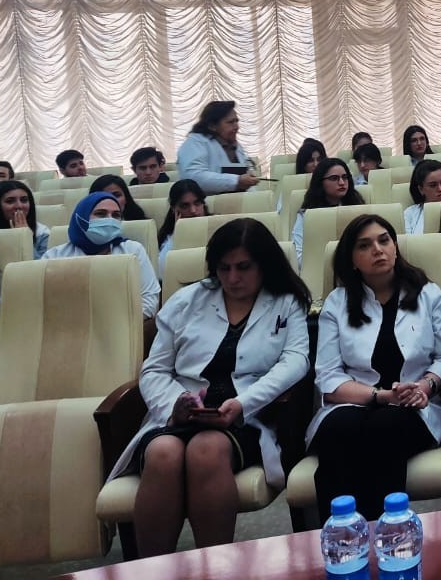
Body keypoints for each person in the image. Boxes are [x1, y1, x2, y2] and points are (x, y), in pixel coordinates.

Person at [108, 218, 310, 556]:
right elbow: (154, 369)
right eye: (223, 268)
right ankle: (153, 570)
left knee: (207, 449)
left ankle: (214, 567)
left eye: (244, 267)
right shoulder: (187, 300)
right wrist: (175, 405)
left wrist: (243, 403)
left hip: (242, 418)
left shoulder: (285, 302)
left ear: (264, 265)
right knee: (163, 454)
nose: (232, 278)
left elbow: (296, 361)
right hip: (177, 416)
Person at [306, 215, 441, 520]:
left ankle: (385, 531)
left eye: (384, 240)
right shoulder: (337, 302)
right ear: (351, 260)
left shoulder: (427, 293)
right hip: (354, 401)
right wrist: (380, 396)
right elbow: (329, 375)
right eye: (364, 245)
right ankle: (341, 535)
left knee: (385, 426)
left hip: (416, 405)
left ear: (395, 247)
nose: (378, 249)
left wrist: (425, 386)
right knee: (338, 430)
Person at [45, 192, 161, 318]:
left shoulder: (133, 251)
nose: (110, 220)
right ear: (81, 217)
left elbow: (150, 299)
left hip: (123, 325)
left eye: (116, 215)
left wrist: (116, 321)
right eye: (101, 214)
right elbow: (42, 301)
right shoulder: (54, 256)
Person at [177, 101, 260, 195]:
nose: (237, 127)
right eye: (230, 122)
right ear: (212, 126)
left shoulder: (235, 146)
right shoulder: (194, 143)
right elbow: (193, 177)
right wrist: (236, 181)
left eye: (237, 121)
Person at [293, 158, 364, 260]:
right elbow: (298, 255)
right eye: (334, 178)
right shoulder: (307, 216)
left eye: (345, 177)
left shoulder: (358, 208)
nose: (342, 182)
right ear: (320, 182)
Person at [0, 179, 50, 258]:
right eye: (10, 201)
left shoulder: (42, 233)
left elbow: (40, 264)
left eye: (24, 200)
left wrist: (24, 237)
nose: (19, 206)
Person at [156, 180, 209, 279]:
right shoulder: (168, 236)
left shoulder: (218, 227)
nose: (193, 211)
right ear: (174, 209)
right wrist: (178, 233)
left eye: (197, 203)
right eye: (185, 206)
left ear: (203, 204)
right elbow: (161, 273)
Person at [404, 159, 441, 235]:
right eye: (433, 185)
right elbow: (407, 241)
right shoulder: (410, 213)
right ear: (421, 189)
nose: (440, 189)